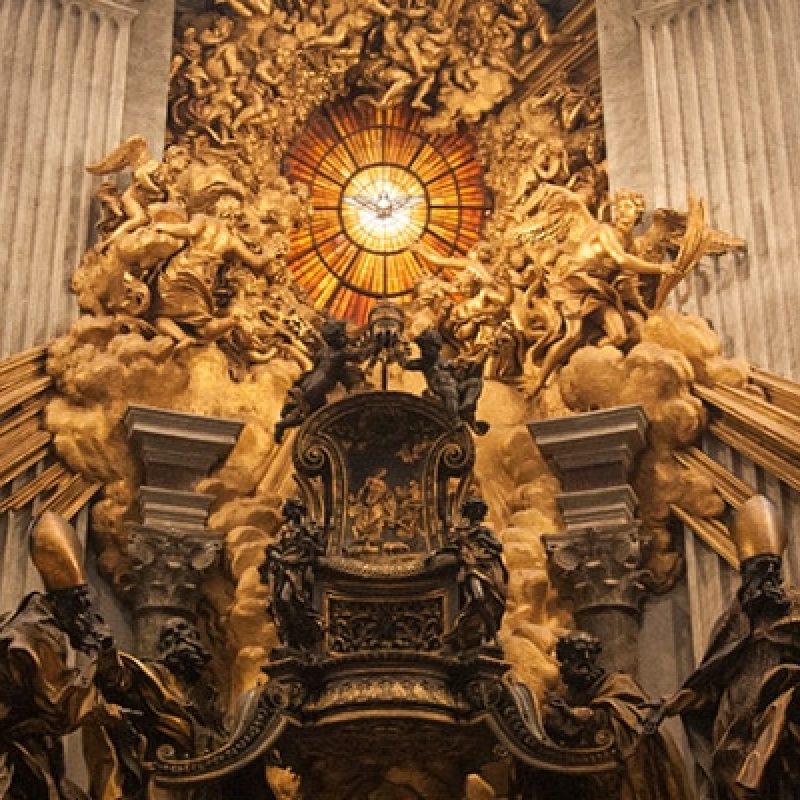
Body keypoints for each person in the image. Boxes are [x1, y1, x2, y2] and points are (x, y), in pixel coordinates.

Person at [646, 495, 800, 799]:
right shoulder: (732, 623)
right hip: (733, 727)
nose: (768, 577)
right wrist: (670, 704)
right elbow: (709, 682)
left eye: (772, 569)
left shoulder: (794, 609)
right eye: (759, 569)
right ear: (745, 576)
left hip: (783, 725)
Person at [0, 512, 113, 800]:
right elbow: (61, 707)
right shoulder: (33, 633)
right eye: (82, 604)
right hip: (14, 761)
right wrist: (104, 673)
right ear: (69, 603)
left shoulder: (36, 620)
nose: (86, 616)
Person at [544, 631, 692, 800]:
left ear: (585, 660)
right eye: (564, 661)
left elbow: (627, 718)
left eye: (569, 660)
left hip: (632, 769)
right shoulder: (570, 695)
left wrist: (576, 715)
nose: (563, 667)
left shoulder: (619, 684)